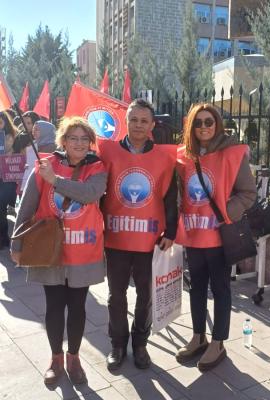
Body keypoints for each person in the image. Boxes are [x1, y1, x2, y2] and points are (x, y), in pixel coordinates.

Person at [10, 116, 107, 385]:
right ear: (63, 141)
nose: (79, 143)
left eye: (84, 139)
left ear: (91, 142)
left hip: (83, 250)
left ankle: (74, 358)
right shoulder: (45, 165)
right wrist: (17, 244)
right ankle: (56, 359)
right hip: (48, 249)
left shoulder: (97, 167)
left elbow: (90, 193)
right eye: (73, 138)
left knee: (77, 307)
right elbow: (27, 205)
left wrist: (56, 180)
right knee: (54, 306)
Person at [175, 103, 256, 371]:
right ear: (191, 126)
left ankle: (218, 342)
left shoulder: (232, 152)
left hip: (220, 236)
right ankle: (198, 336)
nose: (204, 127)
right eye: (198, 122)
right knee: (196, 287)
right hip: (194, 234)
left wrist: (225, 213)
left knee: (220, 288)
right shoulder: (183, 156)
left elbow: (248, 193)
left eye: (209, 122)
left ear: (217, 124)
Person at [98, 98, 178, 371]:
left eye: (144, 121)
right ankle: (118, 344)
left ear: (152, 125)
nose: (139, 125)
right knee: (116, 295)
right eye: (134, 119)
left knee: (146, 295)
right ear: (126, 121)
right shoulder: (107, 152)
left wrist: (171, 230)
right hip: (116, 236)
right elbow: (98, 191)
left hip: (150, 238)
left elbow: (171, 196)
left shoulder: (164, 157)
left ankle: (140, 343)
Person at [0, 111, 18, 249]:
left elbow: (6, 152)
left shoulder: (9, 136)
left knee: (1, 208)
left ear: (5, 122)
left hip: (5, 178)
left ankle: (3, 239)